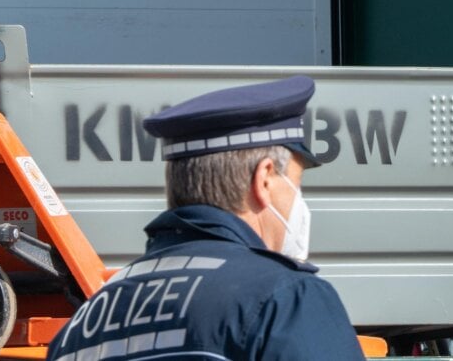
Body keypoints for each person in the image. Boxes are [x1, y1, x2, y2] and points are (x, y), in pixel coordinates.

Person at [45, 76, 367, 360]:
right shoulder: (284, 298)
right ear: (264, 179)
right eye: (295, 184)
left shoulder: (83, 324)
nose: (298, 202)